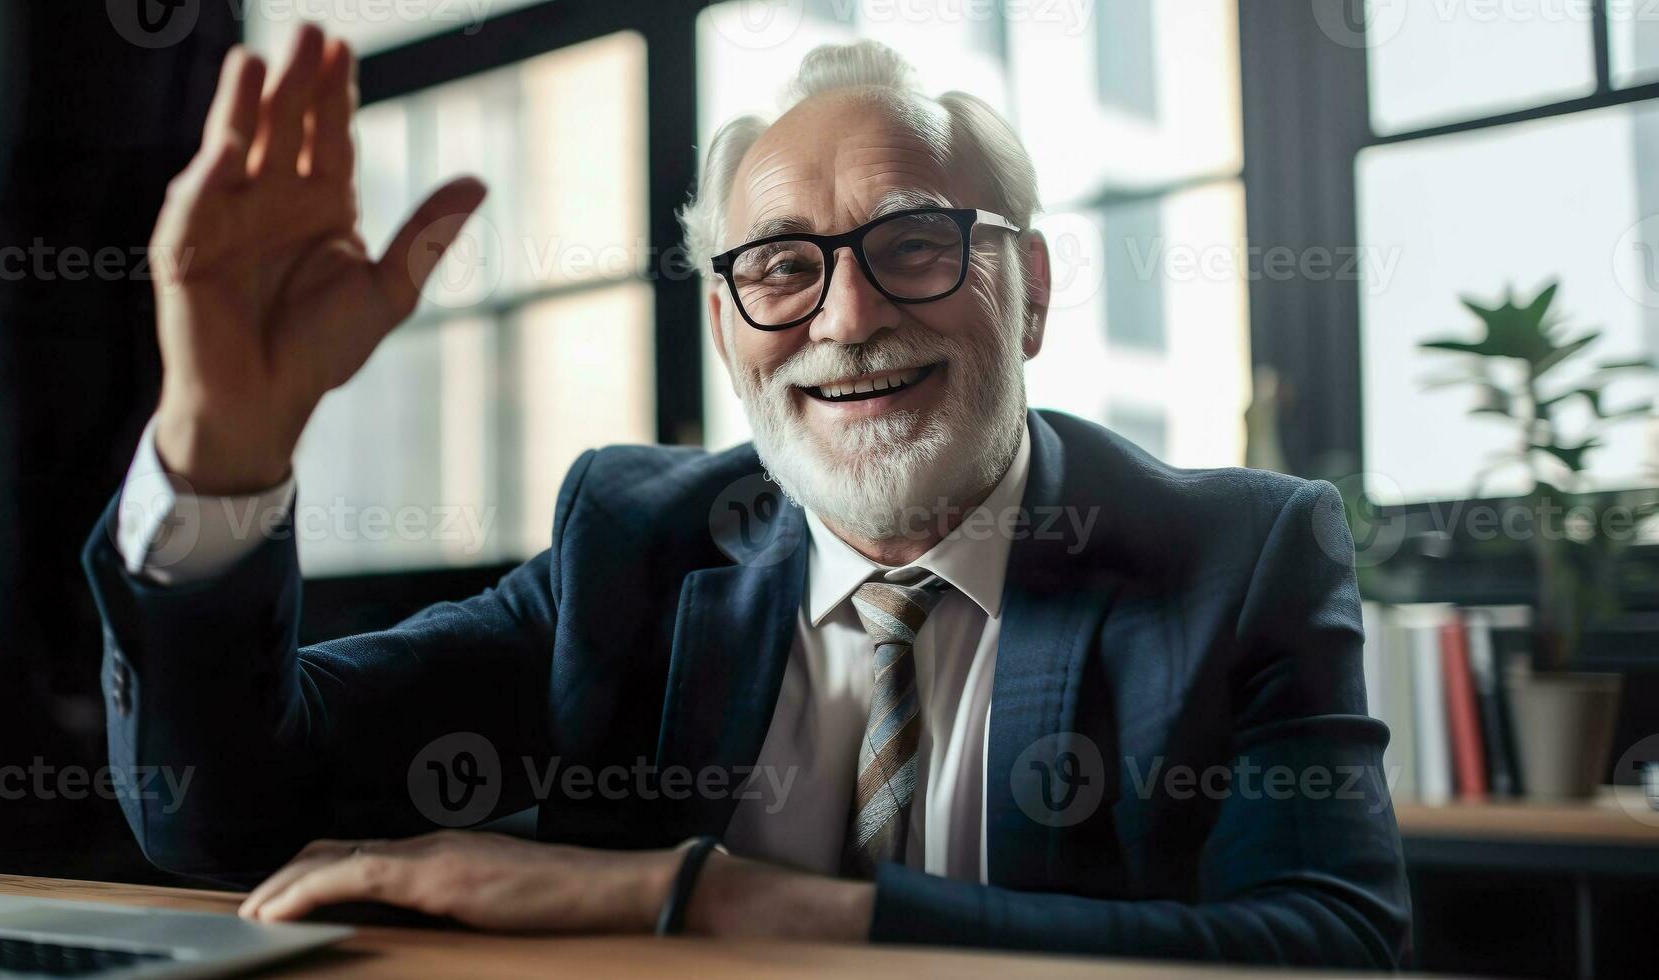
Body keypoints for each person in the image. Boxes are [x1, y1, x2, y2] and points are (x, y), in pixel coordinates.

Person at [83, 23, 1409, 967]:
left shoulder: (1237, 554)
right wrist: (221, 449)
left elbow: (1327, 948)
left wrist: (705, 899)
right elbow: (223, 814)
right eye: (781, 264)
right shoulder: (636, 545)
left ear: (1035, 288)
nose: (848, 315)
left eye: (912, 244)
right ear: (727, 328)